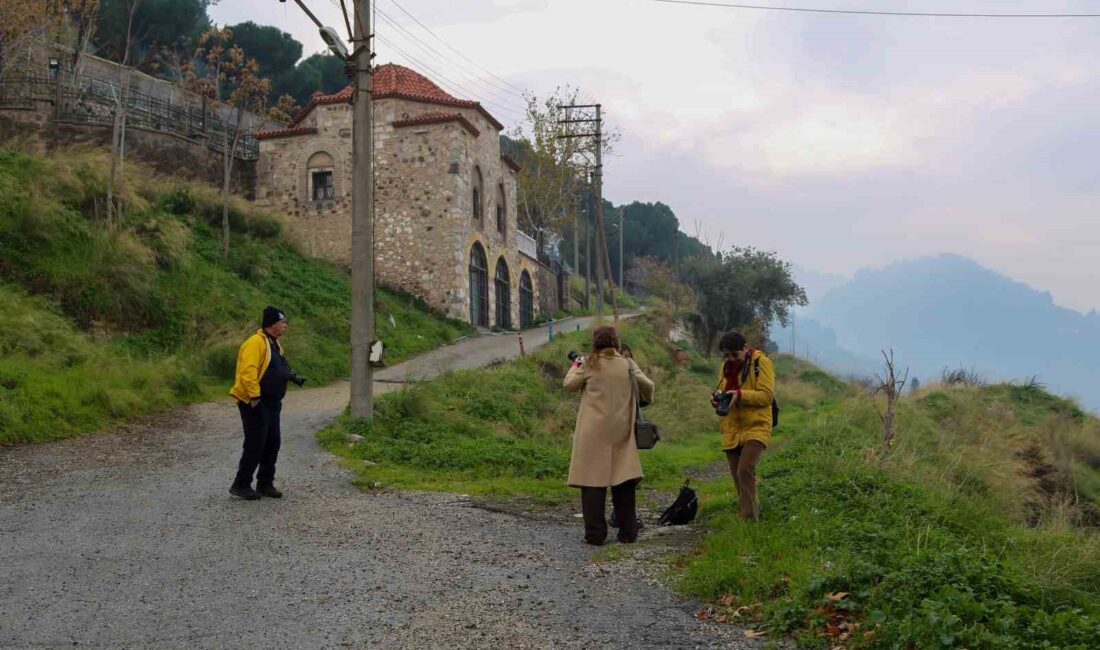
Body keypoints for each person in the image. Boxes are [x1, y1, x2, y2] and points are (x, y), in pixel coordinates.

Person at [564, 325, 655, 545]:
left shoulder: (588, 364)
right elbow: (649, 388)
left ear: (595, 342)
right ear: (616, 342)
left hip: (593, 432)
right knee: (623, 482)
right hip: (621, 430)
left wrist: (575, 365)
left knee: (592, 483)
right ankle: (628, 532)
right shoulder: (628, 364)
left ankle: (595, 535)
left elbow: (569, 385)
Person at [228, 306, 302, 500]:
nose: (285, 325)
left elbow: (276, 367)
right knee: (255, 443)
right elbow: (248, 372)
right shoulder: (255, 343)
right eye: (282, 322)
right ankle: (241, 483)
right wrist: (254, 398)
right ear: (272, 324)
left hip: (272, 402)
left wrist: (291, 376)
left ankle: (265, 483)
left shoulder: (274, 343)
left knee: (272, 442)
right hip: (255, 402)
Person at [713, 330, 775, 521]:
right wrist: (717, 398)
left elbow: (766, 396)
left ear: (745, 348)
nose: (730, 359)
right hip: (732, 428)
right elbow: (722, 390)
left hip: (756, 425)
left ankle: (748, 520)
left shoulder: (760, 363)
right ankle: (752, 510)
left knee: (745, 469)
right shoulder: (725, 367)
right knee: (737, 476)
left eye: (734, 354)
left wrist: (740, 395)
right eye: (726, 355)